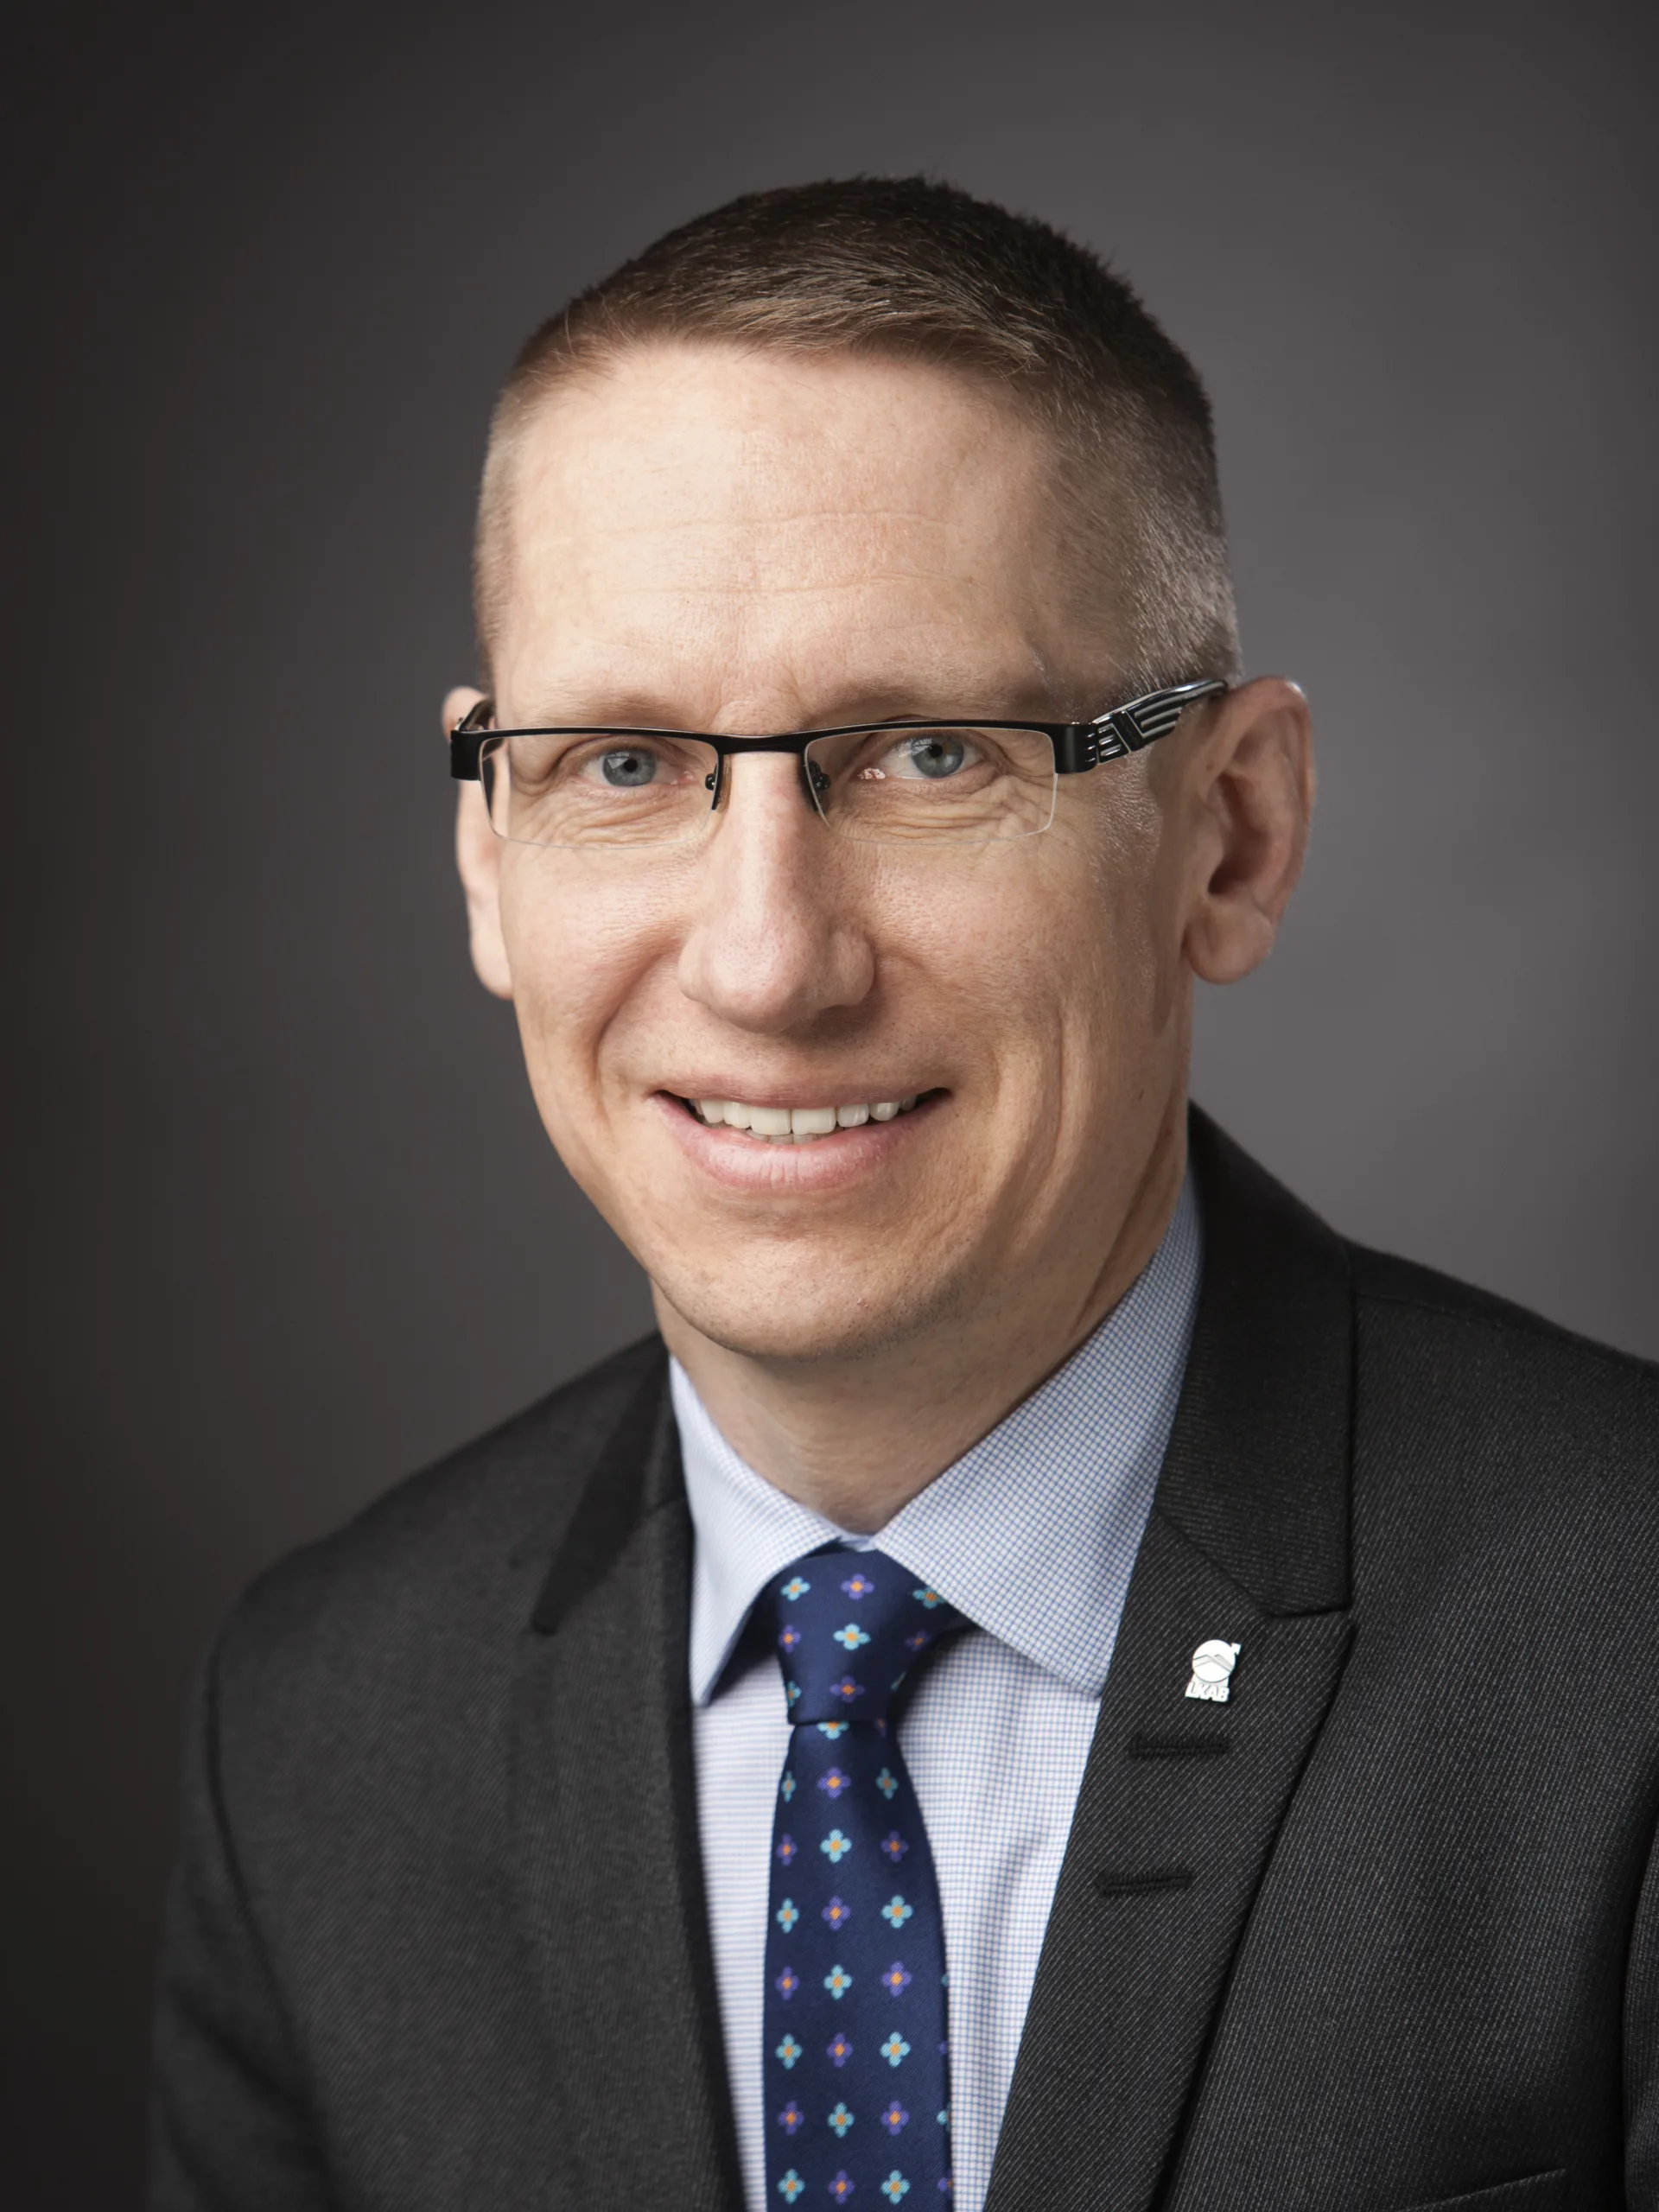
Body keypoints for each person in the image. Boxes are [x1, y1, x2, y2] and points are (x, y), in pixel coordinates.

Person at [149, 177, 1659, 2212]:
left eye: (934, 753)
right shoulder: (318, 1728)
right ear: (490, 854)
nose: (769, 961)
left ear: (1229, 835)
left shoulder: (1621, 1651)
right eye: (623, 764)